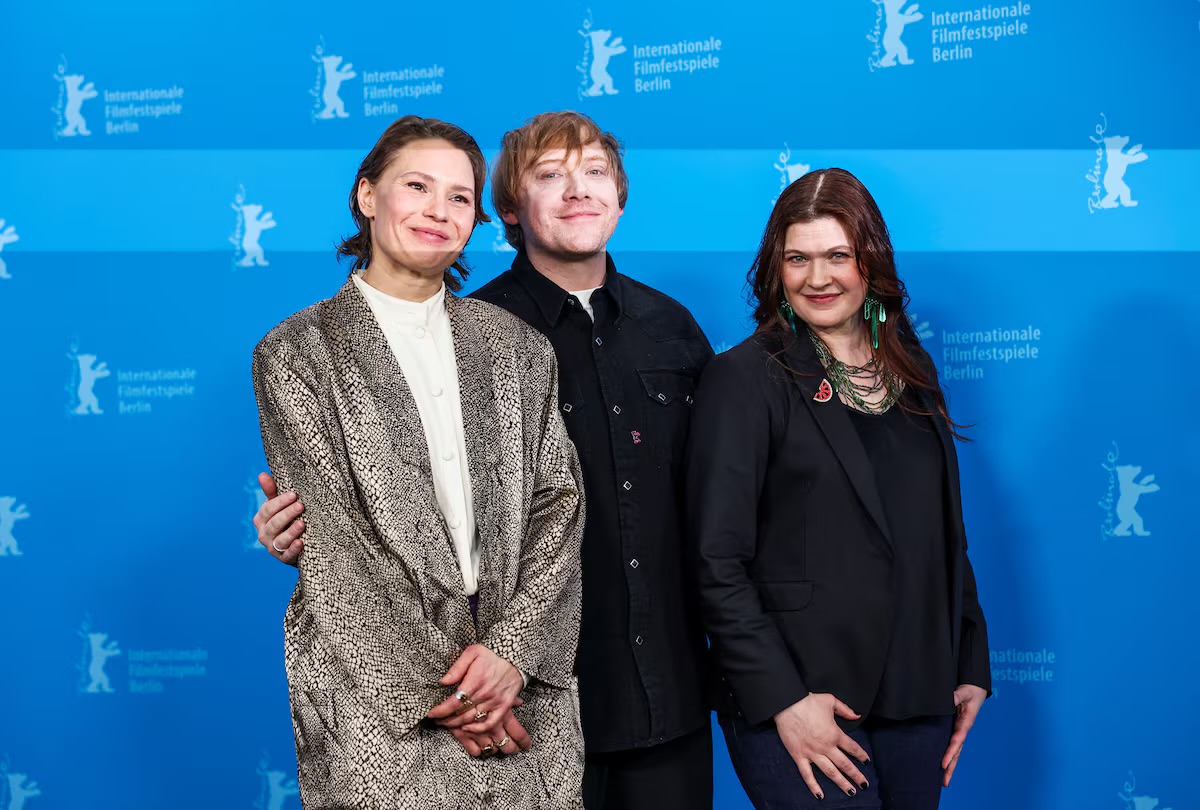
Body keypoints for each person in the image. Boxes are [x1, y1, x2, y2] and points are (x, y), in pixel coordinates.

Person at [254, 111, 715, 810]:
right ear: (367, 194)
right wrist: (451, 691)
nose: (438, 209)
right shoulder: (296, 351)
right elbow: (341, 548)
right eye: (417, 186)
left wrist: (512, 656)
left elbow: (560, 503)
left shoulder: (514, 344)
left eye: (457, 196)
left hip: (537, 690)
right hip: (387, 707)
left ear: (476, 219)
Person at [685, 168, 990, 810]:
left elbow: (941, 530)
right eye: (797, 259)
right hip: (803, 698)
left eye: (837, 256)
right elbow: (715, 561)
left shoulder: (912, 367)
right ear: (775, 269)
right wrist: (785, 701)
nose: (817, 278)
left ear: (870, 262)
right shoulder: (745, 377)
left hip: (918, 690)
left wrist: (967, 661)